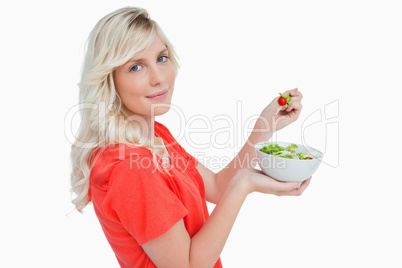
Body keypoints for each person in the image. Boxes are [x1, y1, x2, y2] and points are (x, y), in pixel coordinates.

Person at [70, 6, 310, 268]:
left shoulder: (154, 136)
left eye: (161, 58)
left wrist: (265, 125)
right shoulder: (129, 167)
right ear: (109, 80)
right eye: (136, 67)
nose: (159, 78)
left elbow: (218, 187)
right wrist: (245, 185)